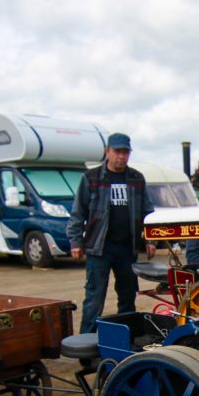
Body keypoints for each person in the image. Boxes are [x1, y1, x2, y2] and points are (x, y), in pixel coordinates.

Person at [67, 132, 155, 333]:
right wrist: (75, 242)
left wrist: (151, 240)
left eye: (125, 152)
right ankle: (86, 346)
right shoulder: (91, 178)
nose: (121, 156)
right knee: (94, 298)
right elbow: (78, 212)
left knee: (128, 296)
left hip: (127, 248)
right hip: (100, 248)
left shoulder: (136, 178)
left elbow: (148, 212)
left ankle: (126, 340)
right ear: (107, 151)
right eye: (117, 152)